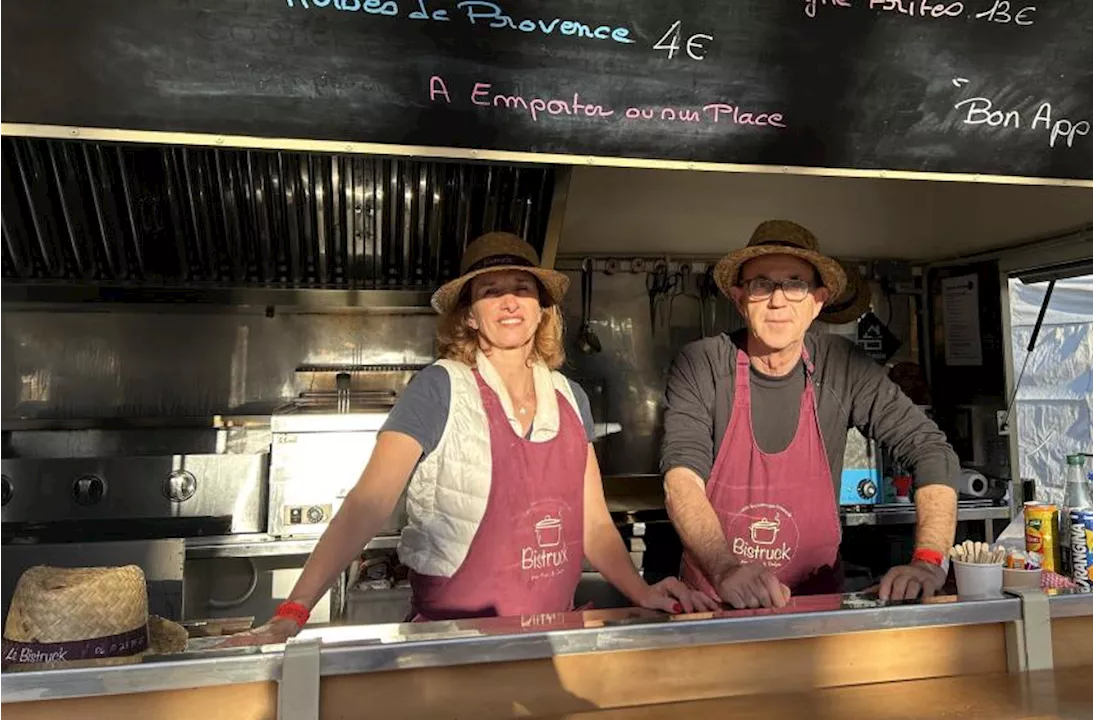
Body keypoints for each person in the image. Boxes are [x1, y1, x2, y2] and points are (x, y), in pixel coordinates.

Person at [225, 232, 712, 646]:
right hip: (454, 643)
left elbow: (593, 523)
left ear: (542, 310)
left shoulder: (570, 397)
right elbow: (367, 505)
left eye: (522, 288)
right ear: (470, 315)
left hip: (552, 639)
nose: (508, 301)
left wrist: (641, 591)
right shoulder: (439, 388)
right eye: (490, 290)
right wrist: (293, 611)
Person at [661, 220, 960, 609]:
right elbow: (681, 478)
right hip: (715, 605)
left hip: (817, 610)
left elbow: (930, 449)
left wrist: (929, 561)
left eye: (796, 284)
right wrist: (725, 569)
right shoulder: (702, 364)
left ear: (817, 300)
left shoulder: (842, 366)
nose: (778, 301)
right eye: (761, 284)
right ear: (739, 298)